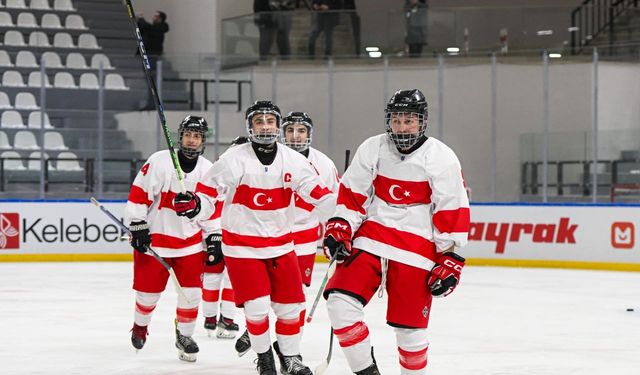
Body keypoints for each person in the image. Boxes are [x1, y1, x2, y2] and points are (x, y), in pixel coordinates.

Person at [173, 101, 337, 375]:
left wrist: (342, 219)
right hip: (242, 248)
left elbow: (318, 194)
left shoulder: (294, 161)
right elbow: (208, 194)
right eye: (259, 121)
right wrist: (195, 205)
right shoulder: (234, 158)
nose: (265, 126)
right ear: (250, 127)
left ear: (277, 126)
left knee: (290, 308)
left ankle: (291, 358)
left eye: (270, 121)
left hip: (282, 246)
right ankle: (264, 358)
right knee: (258, 307)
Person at [321, 89, 470, 374]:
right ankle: (366, 371)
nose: (402, 127)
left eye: (409, 121)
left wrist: (449, 256)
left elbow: (452, 210)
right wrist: (340, 225)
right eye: (397, 120)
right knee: (340, 304)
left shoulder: (442, 157)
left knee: (410, 334)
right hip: (371, 240)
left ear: (422, 122)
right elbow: (353, 195)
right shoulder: (373, 148)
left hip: (418, 250)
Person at [125, 116, 217, 362]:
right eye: (188, 134)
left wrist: (214, 236)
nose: (192, 139)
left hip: (190, 244)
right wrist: (137, 224)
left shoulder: (208, 169)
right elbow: (139, 194)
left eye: (197, 136)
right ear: (180, 136)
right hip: (155, 242)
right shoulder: (159, 161)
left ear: (203, 140)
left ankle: (184, 336)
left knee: (191, 295)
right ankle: (140, 327)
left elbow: (211, 208)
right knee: (147, 294)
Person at [270, 111, 340, 366]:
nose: (295, 136)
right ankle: (257, 332)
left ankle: (292, 351)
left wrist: (336, 234)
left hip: (304, 241)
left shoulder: (324, 164)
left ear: (309, 134)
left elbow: (334, 203)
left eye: (301, 130)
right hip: (270, 238)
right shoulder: (270, 158)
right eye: (290, 130)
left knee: (296, 296)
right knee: (268, 295)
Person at [201, 136, 250, 339]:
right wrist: (214, 234)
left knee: (224, 277)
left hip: (225, 235)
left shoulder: (224, 170)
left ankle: (213, 318)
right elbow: (207, 205)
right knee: (224, 277)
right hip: (225, 235)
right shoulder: (224, 173)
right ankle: (221, 319)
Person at [137, 11, 169, 110]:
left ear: (160, 19)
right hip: (148, 56)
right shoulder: (154, 28)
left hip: (152, 57)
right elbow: (143, 29)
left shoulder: (160, 28)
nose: (154, 18)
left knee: (152, 81)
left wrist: (141, 20)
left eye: (156, 16)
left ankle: (153, 103)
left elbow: (149, 28)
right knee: (150, 82)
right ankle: (151, 102)